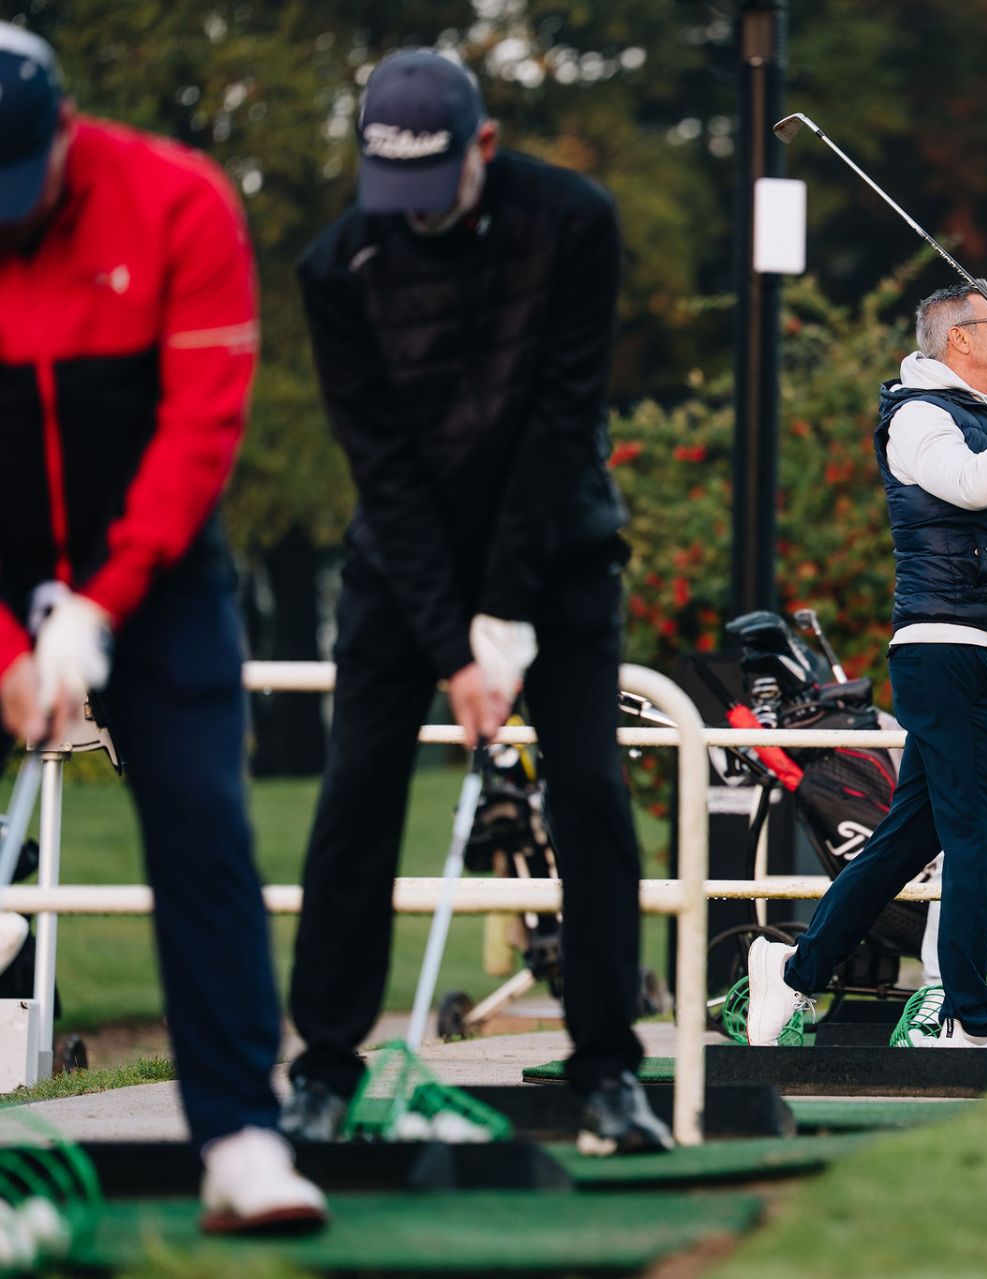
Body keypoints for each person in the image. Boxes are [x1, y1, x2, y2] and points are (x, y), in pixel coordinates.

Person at [281, 51, 668, 1156]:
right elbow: (384, 470)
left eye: (433, 183)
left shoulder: (573, 221)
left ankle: (609, 1072)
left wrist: (502, 624)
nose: (413, 213)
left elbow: (560, 423)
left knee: (588, 792)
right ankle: (323, 1070)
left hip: (561, 549)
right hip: (403, 566)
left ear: (483, 146)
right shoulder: (338, 265)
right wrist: (456, 648)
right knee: (356, 795)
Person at [0, 27, 326, 1232]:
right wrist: (11, 650)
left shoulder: (177, 200)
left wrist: (98, 604)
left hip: (163, 568)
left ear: (65, 129)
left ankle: (241, 1140)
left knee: (203, 832)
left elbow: (199, 430)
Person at [745, 282, 987, 1069]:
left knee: (912, 835)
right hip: (947, 647)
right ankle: (968, 1019)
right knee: (979, 831)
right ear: (958, 340)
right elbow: (974, 485)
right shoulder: (917, 416)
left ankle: (798, 970)